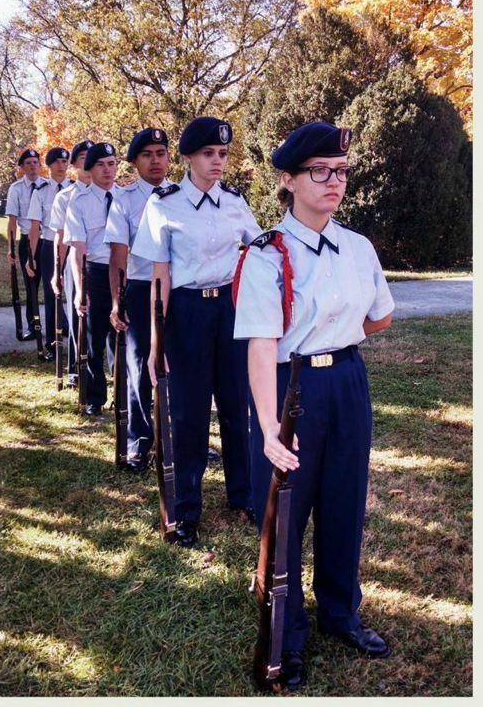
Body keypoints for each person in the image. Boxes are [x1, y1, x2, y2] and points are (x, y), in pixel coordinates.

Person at [233, 121, 395, 691]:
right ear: (288, 180)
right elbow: (259, 345)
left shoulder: (358, 246)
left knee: (344, 501)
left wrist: (336, 336)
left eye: (341, 172)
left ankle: (339, 613)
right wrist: (270, 426)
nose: (334, 182)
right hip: (291, 387)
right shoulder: (266, 255)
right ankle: (288, 634)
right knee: (286, 515)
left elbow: (380, 313)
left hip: (348, 380)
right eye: (319, 172)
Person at [132, 116, 262, 547]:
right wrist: (156, 339)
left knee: (235, 405)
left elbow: (261, 250)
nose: (217, 162)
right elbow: (160, 277)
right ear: (188, 157)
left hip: (229, 311)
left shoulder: (235, 202)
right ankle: (186, 509)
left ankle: (244, 495)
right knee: (187, 414)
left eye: (223, 154)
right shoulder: (163, 204)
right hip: (186, 312)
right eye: (209, 154)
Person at [105, 127, 174, 472]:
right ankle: (138, 443)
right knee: (138, 367)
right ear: (134, 162)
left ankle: (179, 439)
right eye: (147, 155)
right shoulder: (124, 199)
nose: (156, 161)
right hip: (140, 287)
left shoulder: (181, 195)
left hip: (179, 290)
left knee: (181, 367)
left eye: (161, 153)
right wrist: (117, 300)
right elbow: (118, 253)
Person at [64, 142, 121, 416]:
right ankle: (94, 398)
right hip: (96, 273)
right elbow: (78, 250)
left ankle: (125, 393)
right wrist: (79, 289)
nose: (108, 170)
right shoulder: (80, 202)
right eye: (101, 164)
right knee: (94, 339)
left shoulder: (127, 197)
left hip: (125, 274)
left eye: (112, 164)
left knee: (124, 339)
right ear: (90, 168)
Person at [50, 140, 94, 387]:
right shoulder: (65, 197)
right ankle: (76, 369)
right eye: (83, 158)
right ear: (75, 164)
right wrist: (57, 271)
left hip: (103, 264)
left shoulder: (110, 193)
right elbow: (60, 236)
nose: (88, 163)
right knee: (77, 314)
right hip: (75, 262)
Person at [26, 147, 73, 360]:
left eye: (65, 161)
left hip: (72, 246)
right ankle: (53, 345)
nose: (62, 165)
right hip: (48, 246)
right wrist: (31, 257)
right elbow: (34, 227)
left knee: (75, 293)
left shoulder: (76, 189)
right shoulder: (41, 191)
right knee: (52, 294)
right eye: (57, 162)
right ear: (50, 165)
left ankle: (77, 340)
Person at [5, 148, 47, 340]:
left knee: (52, 282)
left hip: (46, 240)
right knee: (32, 284)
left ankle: (59, 323)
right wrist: (10, 249)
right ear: (21, 167)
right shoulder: (16, 189)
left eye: (35, 162)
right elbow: (12, 220)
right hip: (27, 242)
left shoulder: (48, 186)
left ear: (40, 165)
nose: (32, 166)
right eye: (28, 163)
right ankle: (33, 324)